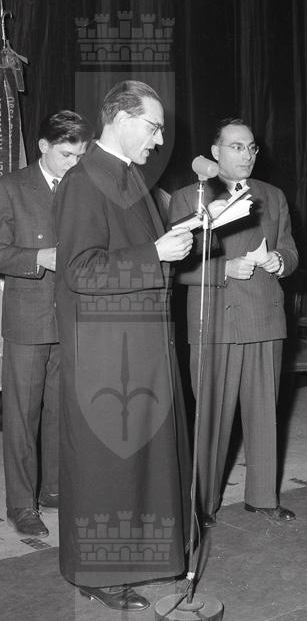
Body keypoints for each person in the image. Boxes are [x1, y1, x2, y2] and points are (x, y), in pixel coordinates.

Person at [54, 81, 193, 611]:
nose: (159, 139)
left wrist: (175, 244)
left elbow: (140, 253)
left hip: (141, 345)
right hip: (106, 353)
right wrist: (155, 252)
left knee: (143, 466)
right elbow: (80, 270)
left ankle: (141, 559)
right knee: (107, 469)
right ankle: (98, 574)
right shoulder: (84, 180)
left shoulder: (131, 177)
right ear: (121, 118)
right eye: (153, 127)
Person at [169, 117, 298, 528]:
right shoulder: (190, 196)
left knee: (264, 415)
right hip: (215, 320)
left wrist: (280, 261)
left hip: (265, 317)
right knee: (210, 417)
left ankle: (262, 498)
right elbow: (175, 267)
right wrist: (224, 269)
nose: (247, 154)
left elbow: (291, 250)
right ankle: (202, 503)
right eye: (237, 147)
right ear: (216, 152)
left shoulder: (273, 195)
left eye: (251, 147)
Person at [0, 111, 92, 537]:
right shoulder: (11, 187)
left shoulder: (85, 186)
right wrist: (39, 257)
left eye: (81, 155)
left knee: (61, 411)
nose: (74, 163)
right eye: (66, 155)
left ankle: (53, 489)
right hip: (27, 319)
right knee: (22, 415)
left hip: (70, 317)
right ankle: (21, 504)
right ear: (43, 146)